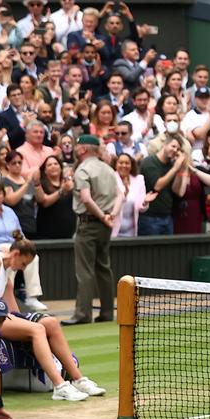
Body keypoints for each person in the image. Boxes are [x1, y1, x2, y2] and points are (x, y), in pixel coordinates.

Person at [0, 236, 103, 401]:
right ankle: (60, 386)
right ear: (15, 253)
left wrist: (21, 321)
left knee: (50, 323)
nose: (23, 269)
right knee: (37, 330)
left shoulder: (7, 271)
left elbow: (12, 308)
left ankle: (78, 379)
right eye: (23, 264)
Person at [66, 135, 119, 325]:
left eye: (78, 146)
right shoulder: (108, 169)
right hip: (105, 225)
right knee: (104, 268)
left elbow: (87, 199)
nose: (76, 149)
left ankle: (82, 314)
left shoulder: (83, 169)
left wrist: (101, 216)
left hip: (88, 223)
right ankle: (107, 312)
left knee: (85, 271)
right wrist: (110, 215)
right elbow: (120, 194)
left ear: (83, 149)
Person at [139, 136, 184, 236]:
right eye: (173, 146)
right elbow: (157, 186)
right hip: (149, 217)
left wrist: (180, 169)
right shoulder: (149, 162)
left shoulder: (172, 166)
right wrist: (175, 168)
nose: (175, 150)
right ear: (164, 145)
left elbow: (177, 190)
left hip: (167, 216)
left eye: (178, 149)